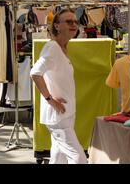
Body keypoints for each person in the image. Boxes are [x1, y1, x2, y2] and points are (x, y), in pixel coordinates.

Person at [30, 9, 87, 164]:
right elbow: (35, 73)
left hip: (65, 113)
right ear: (56, 25)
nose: (74, 25)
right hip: (58, 116)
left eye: (75, 22)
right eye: (69, 22)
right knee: (79, 158)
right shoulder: (53, 48)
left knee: (59, 157)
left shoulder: (61, 48)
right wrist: (50, 99)